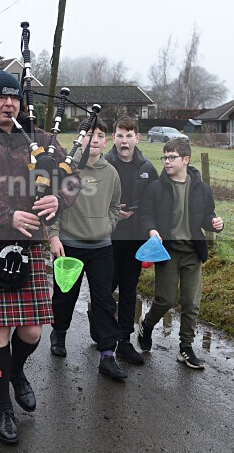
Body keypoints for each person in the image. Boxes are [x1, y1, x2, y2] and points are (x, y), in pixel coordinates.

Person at [0, 70, 80, 444]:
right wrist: (6, 214)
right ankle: (3, 407)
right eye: (1, 99)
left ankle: (16, 371)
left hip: (29, 246)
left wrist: (61, 198)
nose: (9, 104)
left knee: (32, 330)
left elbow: (72, 178)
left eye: (14, 99)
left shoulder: (39, 140)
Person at [48, 119, 128, 380]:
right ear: (82, 139)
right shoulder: (67, 170)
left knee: (104, 300)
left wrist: (109, 224)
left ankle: (107, 354)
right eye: (90, 135)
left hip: (102, 247)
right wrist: (54, 236)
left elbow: (115, 206)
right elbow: (55, 205)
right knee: (65, 296)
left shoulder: (111, 173)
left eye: (100, 135)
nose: (94, 139)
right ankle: (59, 333)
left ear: (105, 142)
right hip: (70, 244)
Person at [137, 139, 224, 369]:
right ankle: (147, 324)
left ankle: (185, 347)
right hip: (167, 252)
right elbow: (146, 214)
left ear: (185, 160)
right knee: (165, 300)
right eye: (164, 157)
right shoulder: (156, 187)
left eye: (171, 157)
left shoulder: (202, 189)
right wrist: (151, 229)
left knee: (191, 303)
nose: (166, 161)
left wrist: (215, 223)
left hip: (192, 253)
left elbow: (208, 216)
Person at [104, 116, 158, 365]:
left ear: (137, 137)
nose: (124, 141)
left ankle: (124, 342)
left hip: (134, 240)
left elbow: (155, 203)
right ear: (113, 138)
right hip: (108, 238)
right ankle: (103, 334)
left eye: (129, 135)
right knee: (104, 289)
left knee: (128, 291)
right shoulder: (104, 164)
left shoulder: (147, 168)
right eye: (119, 135)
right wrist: (114, 213)